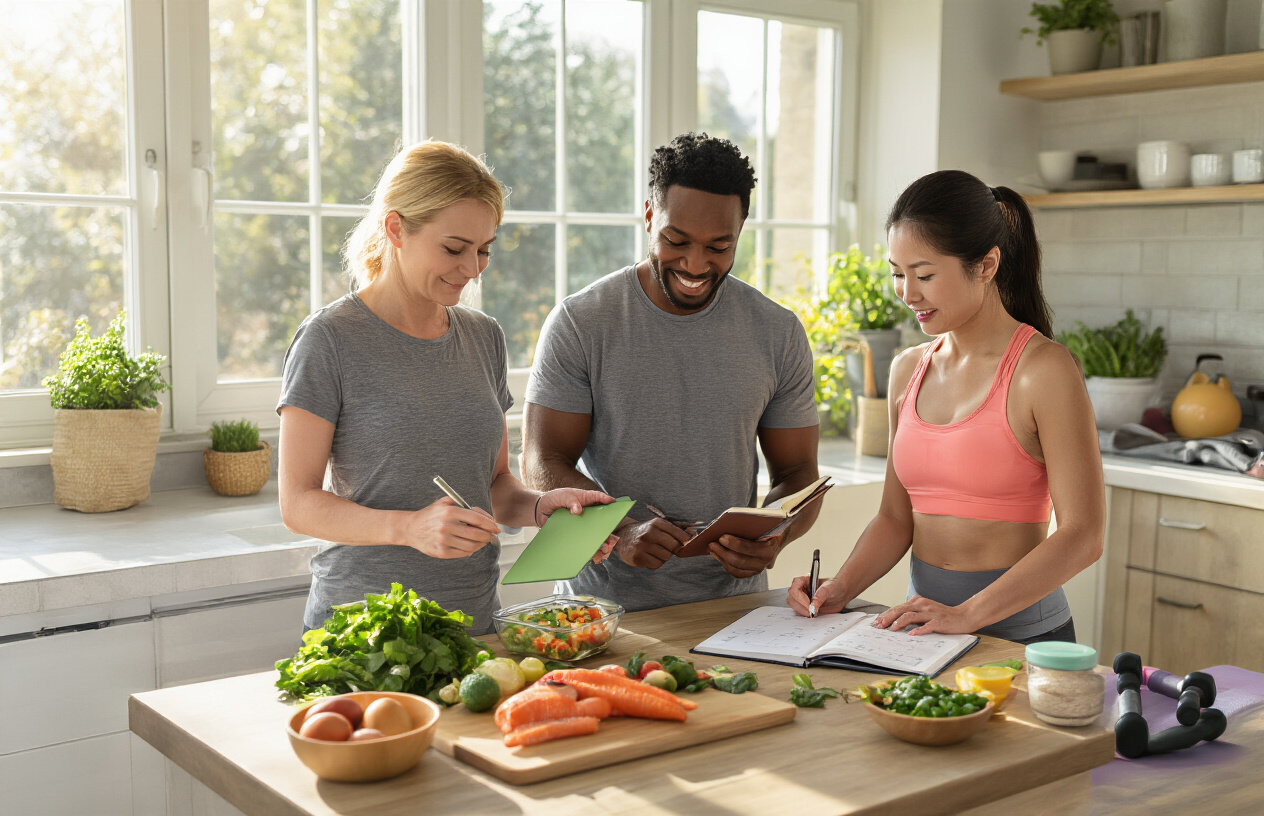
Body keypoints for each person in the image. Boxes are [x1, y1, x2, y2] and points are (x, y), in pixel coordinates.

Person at [277, 140, 614, 635]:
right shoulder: (330, 340)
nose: (473, 268)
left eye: (483, 251)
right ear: (396, 228)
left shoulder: (483, 337)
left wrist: (542, 508)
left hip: (473, 622)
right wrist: (408, 527)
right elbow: (298, 503)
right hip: (364, 630)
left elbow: (494, 487)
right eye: (454, 248)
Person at [788, 169, 1105, 644]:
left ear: (987, 265)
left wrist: (967, 614)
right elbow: (896, 519)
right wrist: (840, 587)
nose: (907, 293)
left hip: (1022, 641)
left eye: (925, 275)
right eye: (897, 273)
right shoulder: (907, 370)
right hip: (927, 636)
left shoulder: (1044, 371)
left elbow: (1084, 535)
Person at [521, 132, 823, 613]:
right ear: (648, 217)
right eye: (675, 240)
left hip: (732, 611)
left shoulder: (777, 332)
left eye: (719, 247)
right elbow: (542, 461)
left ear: (741, 232)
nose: (696, 263)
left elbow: (798, 473)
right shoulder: (582, 322)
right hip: (598, 610)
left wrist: (776, 534)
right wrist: (618, 532)